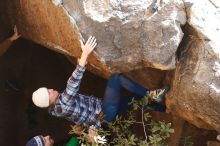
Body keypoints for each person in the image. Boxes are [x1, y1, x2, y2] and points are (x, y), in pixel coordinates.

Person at [32, 36, 169, 140]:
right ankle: (155, 95)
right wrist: (85, 53)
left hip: (103, 116)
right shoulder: (63, 103)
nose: (51, 89)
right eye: (48, 92)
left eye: (48, 89)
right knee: (116, 78)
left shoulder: (55, 109)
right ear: (49, 101)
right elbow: (73, 83)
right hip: (104, 113)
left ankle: (164, 108)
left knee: (133, 98)